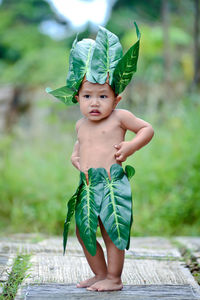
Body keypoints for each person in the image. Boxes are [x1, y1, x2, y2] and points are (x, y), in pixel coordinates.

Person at [47, 22, 154, 292]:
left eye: (103, 96)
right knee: (84, 233)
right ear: (77, 97)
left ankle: (115, 279)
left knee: (112, 231)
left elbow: (147, 129)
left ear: (116, 99)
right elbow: (80, 144)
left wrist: (130, 147)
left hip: (111, 184)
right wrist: (75, 156)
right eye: (87, 96)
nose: (94, 102)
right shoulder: (80, 124)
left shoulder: (120, 117)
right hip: (87, 186)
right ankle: (100, 273)